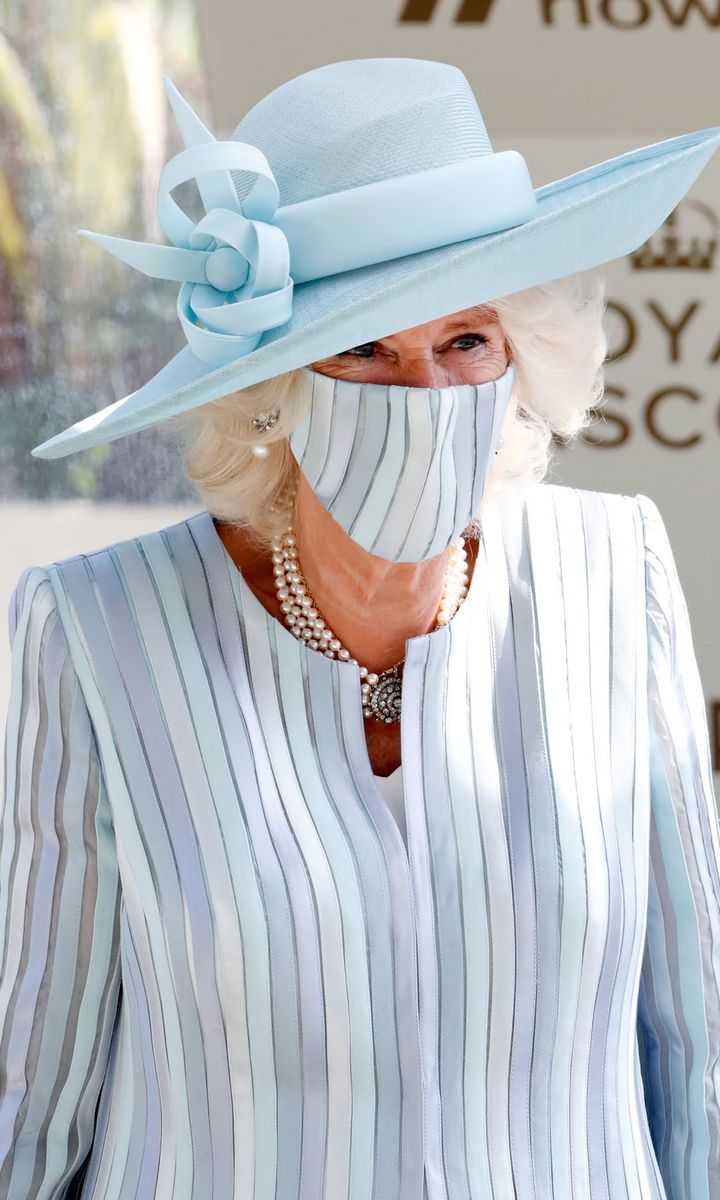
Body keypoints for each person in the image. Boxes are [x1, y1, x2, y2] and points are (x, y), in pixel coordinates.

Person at [2, 56, 720, 1200]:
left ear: (519, 357)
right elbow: (31, 1100)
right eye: (366, 348)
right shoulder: (96, 635)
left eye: (465, 341)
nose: (426, 394)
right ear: (273, 388)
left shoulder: (615, 577)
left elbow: (702, 1053)